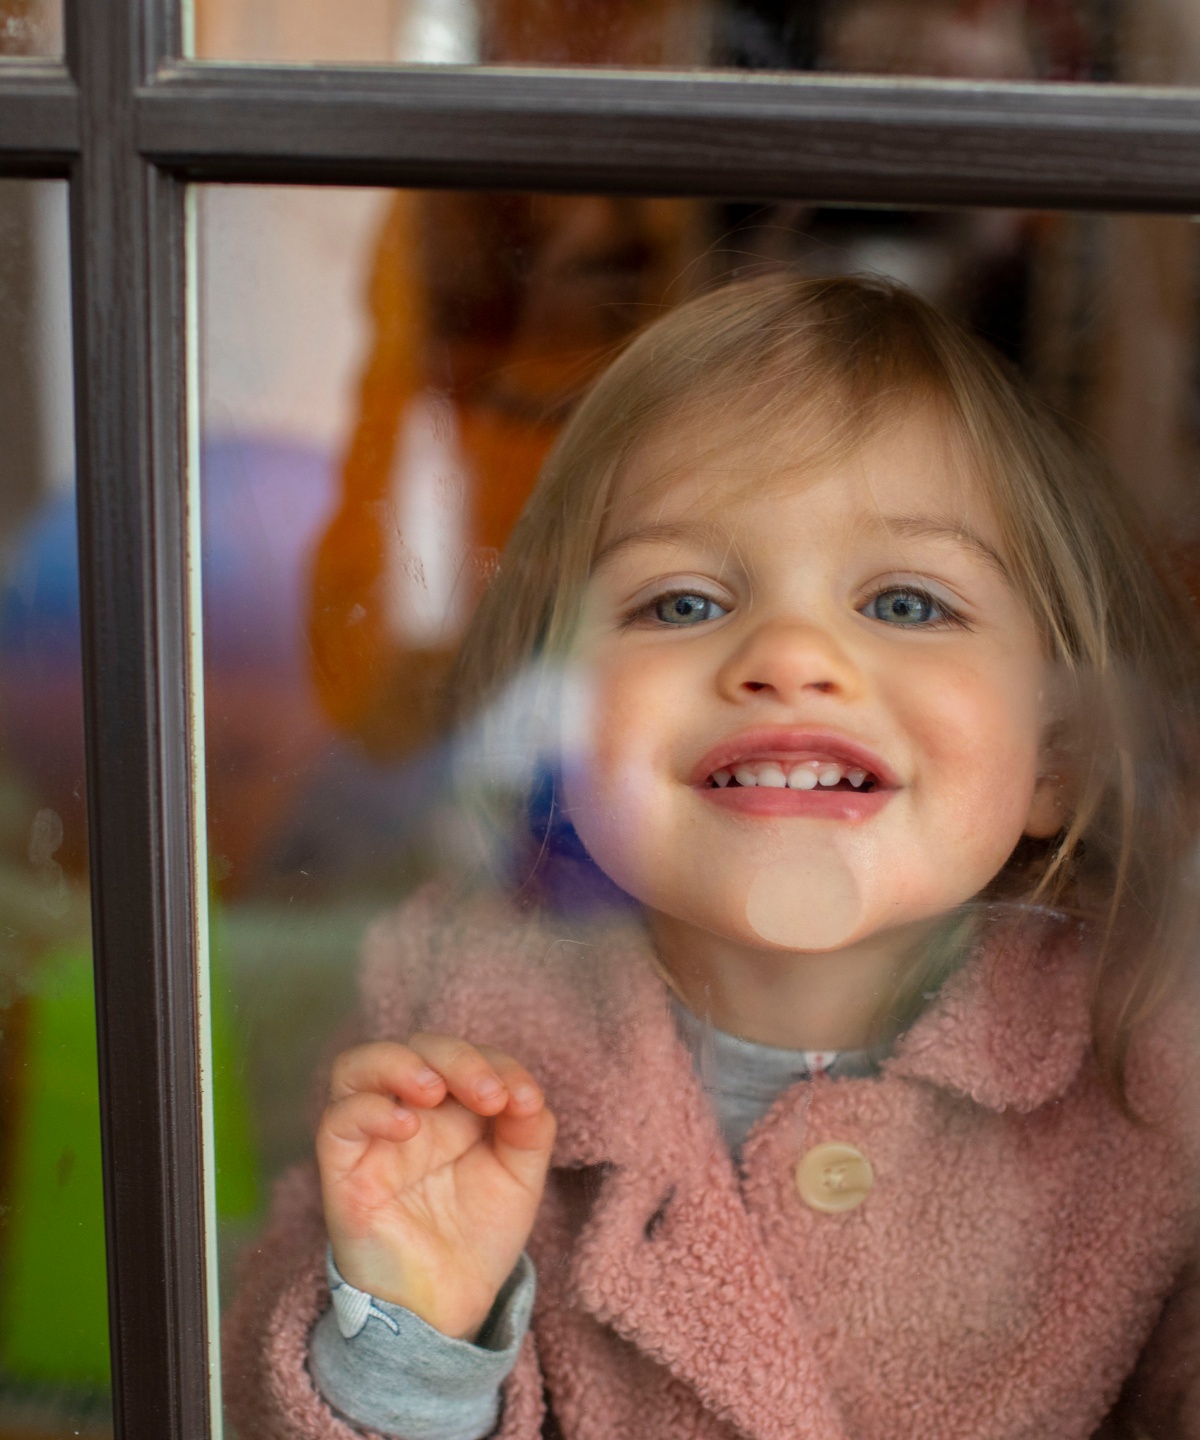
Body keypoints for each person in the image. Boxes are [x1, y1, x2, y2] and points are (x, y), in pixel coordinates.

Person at [223, 275, 1200, 1439]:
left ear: (1057, 757)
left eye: (904, 601)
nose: (790, 655)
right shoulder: (452, 1027)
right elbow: (265, 1387)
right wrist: (418, 1339)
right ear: (563, 724)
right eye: (682, 604)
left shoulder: (1148, 1063)